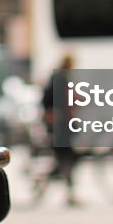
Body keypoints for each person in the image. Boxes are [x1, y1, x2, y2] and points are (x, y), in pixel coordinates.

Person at [41, 53, 80, 207]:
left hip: (63, 124)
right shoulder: (59, 78)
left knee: (65, 157)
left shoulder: (61, 78)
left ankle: (60, 180)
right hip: (60, 126)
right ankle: (67, 191)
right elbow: (50, 99)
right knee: (67, 157)